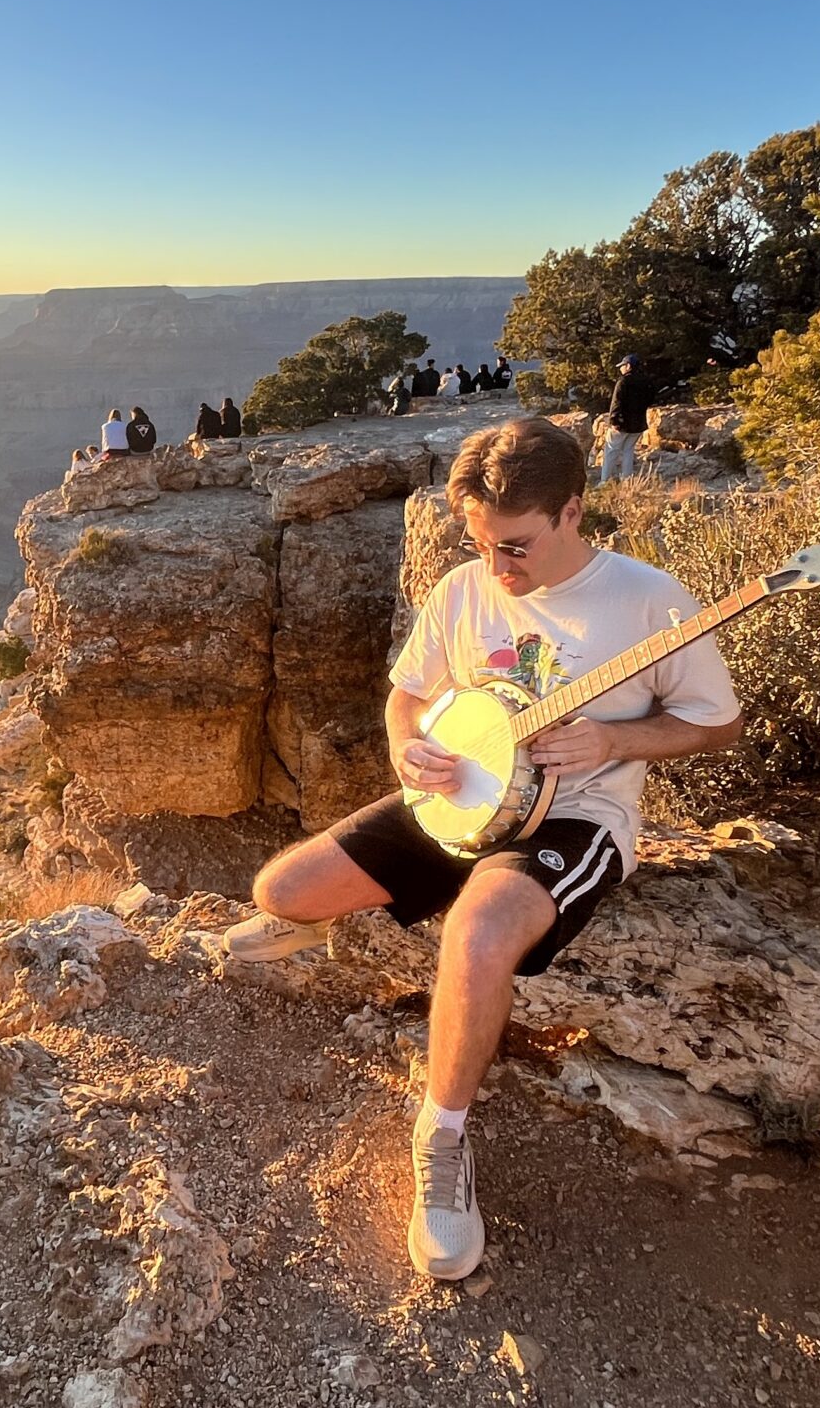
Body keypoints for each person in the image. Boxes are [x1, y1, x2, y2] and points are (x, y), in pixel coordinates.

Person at [221, 417, 742, 1281]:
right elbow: (408, 698)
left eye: (516, 547)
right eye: (482, 543)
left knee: (478, 933)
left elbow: (717, 725)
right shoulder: (464, 589)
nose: (498, 566)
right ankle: (327, 917)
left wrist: (614, 742)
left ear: (573, 510)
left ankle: (443, 1136)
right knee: (280, 890)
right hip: (460, 794)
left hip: (573, 818)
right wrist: (408, 750)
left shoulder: (651, 602)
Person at [600, 354, 660, 483]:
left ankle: (605, 481)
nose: (621, 368)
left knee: (611, 451)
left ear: (628, 366)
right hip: (638, 423)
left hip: (622, 422)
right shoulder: (646, 381)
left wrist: (614, 420)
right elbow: (651, 399)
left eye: (622, 366)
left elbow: (616, 402)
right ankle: (627, 480)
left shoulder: (624, 381)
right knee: (628, 451)